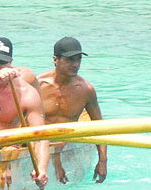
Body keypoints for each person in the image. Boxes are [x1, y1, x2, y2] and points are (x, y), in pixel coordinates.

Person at [0, 36, 49, 186]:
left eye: (2, 62)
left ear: (11, 62)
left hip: (8, 145)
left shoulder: (26, 93)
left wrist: (42, 168)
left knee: (9, 152)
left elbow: (41, 135)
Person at [39, 36, 108, 182]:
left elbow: (100, 126)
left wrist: (103, 161)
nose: (75, 64)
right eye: (70, 60)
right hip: (38, 144)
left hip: (66, 146)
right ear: (55, 59)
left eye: (78, 60)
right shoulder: (38, 85)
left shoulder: (86, 90)